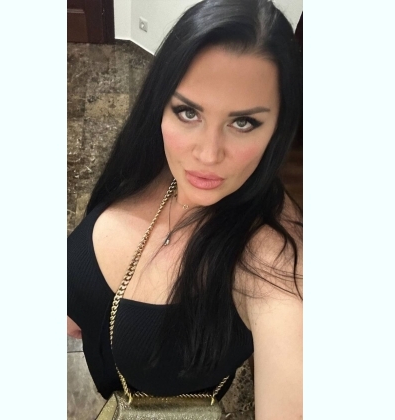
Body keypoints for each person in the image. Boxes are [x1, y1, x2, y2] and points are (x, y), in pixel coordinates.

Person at [67, 0, 303, 418]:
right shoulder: (149, 162)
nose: (208, 155)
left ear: (279, 127)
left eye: (243, 122)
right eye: (188, 112)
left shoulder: (275, 268)